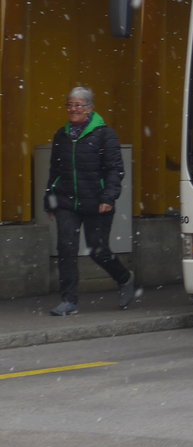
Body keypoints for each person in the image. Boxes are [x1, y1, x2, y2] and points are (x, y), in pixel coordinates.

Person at [43, 87, 140, 316]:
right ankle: (69, 301)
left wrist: (108, 197)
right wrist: (50, 198)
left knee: (98, 250)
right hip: (67, 201)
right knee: (66, 248)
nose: (73, 109)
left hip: (97, 202)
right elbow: (55, 170)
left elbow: (115, 169)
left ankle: (124, 277)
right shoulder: (62, 135)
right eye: (69, 105)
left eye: (78, 105)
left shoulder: (106, 135)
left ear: (90, 109)